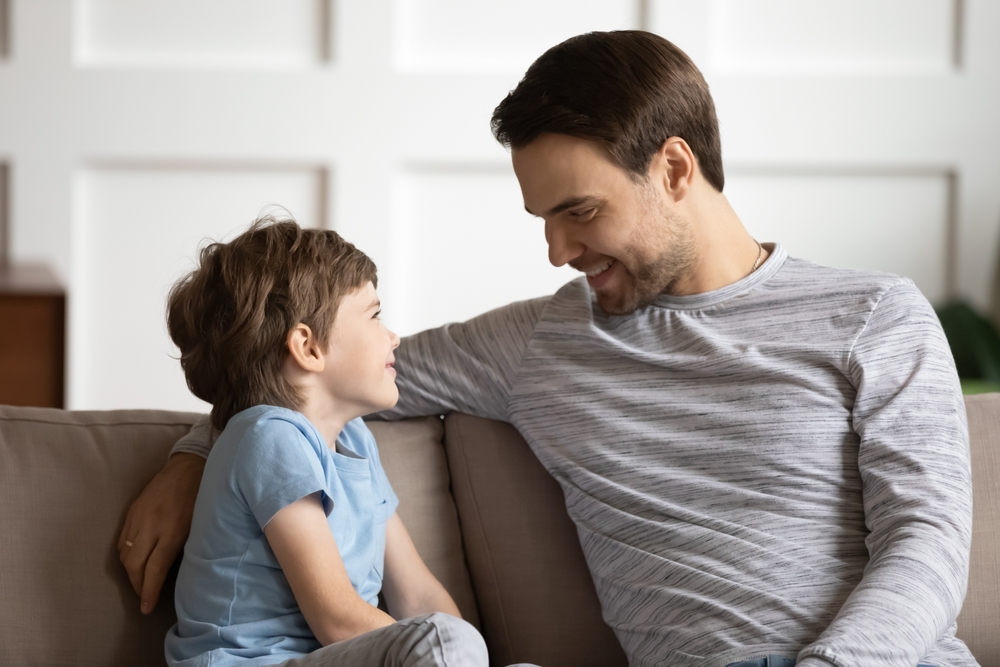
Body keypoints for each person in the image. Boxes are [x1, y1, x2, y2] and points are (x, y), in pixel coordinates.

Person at [120, 32, 976, 667]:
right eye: (544, 221)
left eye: (580, 211)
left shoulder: (875, 316)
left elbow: (928, 541)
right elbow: (308, 376)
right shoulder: (538, 342)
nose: (558, 251)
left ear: (675, 170)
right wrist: (198, 453)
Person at [152, 217, 487, 667]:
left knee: (460, 643)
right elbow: (337, 619)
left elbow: (417, 592)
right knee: (445, 643)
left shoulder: (355, 440)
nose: (394, 336)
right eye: (374, 315)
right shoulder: (268, 438)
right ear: (308, 347)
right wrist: (443, 649)